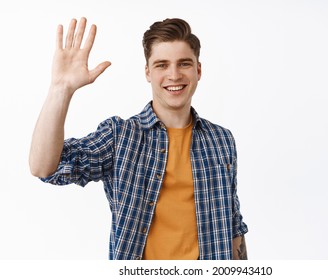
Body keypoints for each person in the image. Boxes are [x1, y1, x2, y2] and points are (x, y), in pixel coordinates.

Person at [29, 17, 248, 260]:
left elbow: (233, 225)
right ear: (148, 72)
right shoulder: (120, 136)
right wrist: (61, 88)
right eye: (162, 65)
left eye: (184, 64)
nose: (174, 75)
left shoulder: (221, 140)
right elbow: (44, 167)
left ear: (198, 70)